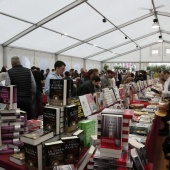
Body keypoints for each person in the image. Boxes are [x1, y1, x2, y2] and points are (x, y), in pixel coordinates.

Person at [159, 70, 170, 135]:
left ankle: (166, 131)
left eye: (162, 75)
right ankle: (165, 129)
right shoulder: (167, 81)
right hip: (166, 99)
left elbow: (167, 91)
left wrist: (163, 92)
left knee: (167, 116)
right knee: (165, 116)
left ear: (166, 74)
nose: (162, 76)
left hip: (168, 100)